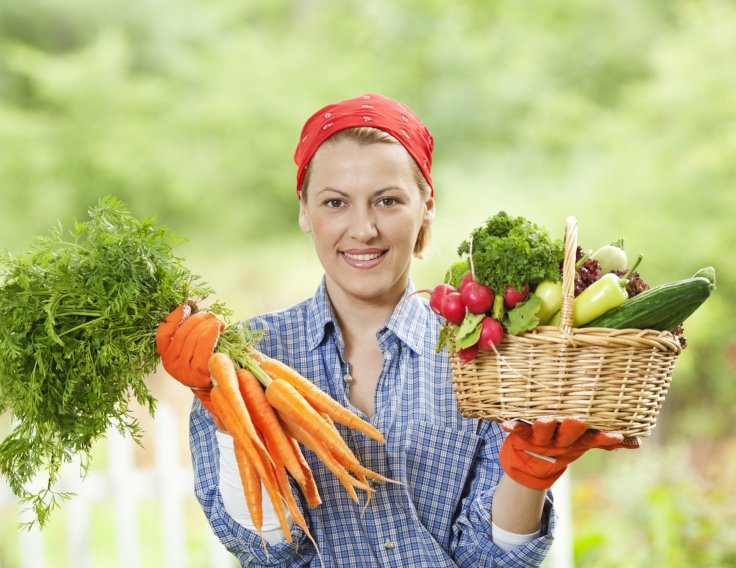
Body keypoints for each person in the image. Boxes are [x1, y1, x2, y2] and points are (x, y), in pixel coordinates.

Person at [156, 93, 638, 567]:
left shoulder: (486, 351)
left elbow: (492, 559)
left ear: (426, 208)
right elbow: (272, 553)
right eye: (335, 202)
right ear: (305, 210)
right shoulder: (244, 357)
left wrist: (529, 475)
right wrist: (226, 410)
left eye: (387, 201)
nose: (363, 228)